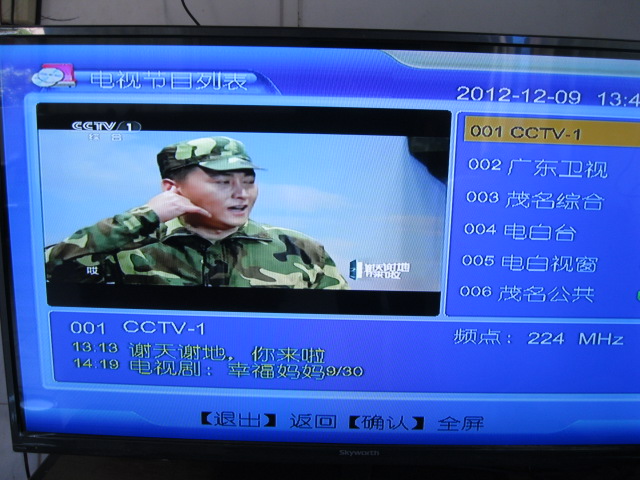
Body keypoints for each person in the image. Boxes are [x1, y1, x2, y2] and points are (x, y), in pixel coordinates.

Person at [45, 136, 349, 289]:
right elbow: (46, 270)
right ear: (172, 188)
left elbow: (339, 330)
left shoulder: (302, 250)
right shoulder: (128, 248)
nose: (241, 193)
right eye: (222, 182)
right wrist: (143, 217)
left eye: (248, 181)